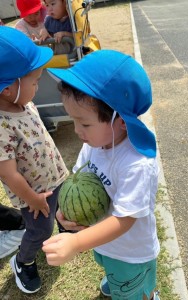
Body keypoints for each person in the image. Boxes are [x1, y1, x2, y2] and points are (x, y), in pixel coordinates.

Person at [43, 50, 161, 300]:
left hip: (131, 253)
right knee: (109, 266)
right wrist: (66, 212)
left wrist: (76, 242)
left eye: (84, 124)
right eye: (74, 121)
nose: (76, 131)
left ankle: (146, 294)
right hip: (105, 243)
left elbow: (125, 220)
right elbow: (78, 178)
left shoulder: (136, 164)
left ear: (120, 121)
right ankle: (114, 276)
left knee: (135, 291)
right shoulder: (93, 145)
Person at [0, 26, 69, 294]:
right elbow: (8, 174)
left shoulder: (24, 102)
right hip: (33, 194)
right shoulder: (2, 125)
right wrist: (31, 200)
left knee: (62, 209)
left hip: (55, 175)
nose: (38, 87)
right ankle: (24, 261)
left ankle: (65, 230)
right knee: (40, 230)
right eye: (35, 81)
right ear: (7, 89)